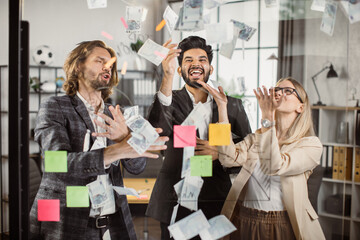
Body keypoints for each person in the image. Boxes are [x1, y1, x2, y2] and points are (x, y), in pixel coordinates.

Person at [29, 40, 168, 240]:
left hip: (111, 224)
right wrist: (119, 149)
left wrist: (125, 138)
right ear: (78, 66)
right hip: (66, 221)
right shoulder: (54, 106)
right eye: (99, 61)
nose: (107, 67)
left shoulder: (117, 114)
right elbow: (55, 162)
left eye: (111, 64)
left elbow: (137, 167)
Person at [146, 36, 252, 239]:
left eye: (202, 59)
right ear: (179, 70)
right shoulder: (169, 100)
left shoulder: (231, 105)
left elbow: (247, 152)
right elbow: (157, 130)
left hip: (216, 198)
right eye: (188, 60)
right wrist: (166, 76)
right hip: (175, 198)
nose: (196, 63)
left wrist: (221, 152)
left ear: (210, 68)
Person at [198, 77, 325, 240]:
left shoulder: (311, 145)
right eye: (277, 90)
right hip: (244, 218)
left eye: (288, 91)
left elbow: (273, 166)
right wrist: (222, 108)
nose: (279, 93)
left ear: (301, 107)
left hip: (281, 223)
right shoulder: (257, 137)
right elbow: (228, 159)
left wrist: (267, 119)